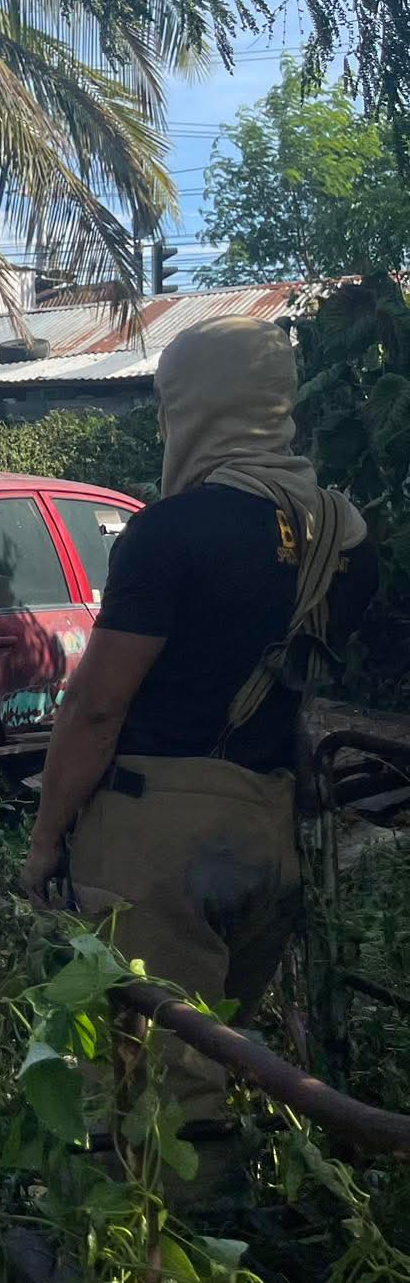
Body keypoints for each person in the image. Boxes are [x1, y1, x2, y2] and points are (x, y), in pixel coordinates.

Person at [22, 315, 377, 1134]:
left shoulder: (171, 532)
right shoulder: (350, 538)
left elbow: (98, 705)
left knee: (152, 1094)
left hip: (158, 838)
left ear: (194, 407)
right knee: (219, 1051)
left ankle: (151, 1258)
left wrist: (46, 840)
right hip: (268, 828)